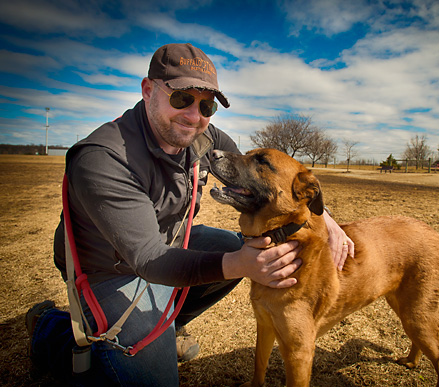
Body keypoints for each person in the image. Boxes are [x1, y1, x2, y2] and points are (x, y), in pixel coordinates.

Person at [26, 43, 354, 386]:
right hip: (110, 267)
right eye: (182, 98)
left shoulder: (199, 133)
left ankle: (167, 323)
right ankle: (50, 328)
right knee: (151, 379)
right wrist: (240, 263)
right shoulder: (105, 158)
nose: (195, 116)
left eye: (207, 106)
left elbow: (265, 177)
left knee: (227, 244)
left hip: (167, 243)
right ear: (148, 90)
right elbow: (149, 259)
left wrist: (322, 215)